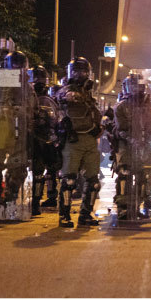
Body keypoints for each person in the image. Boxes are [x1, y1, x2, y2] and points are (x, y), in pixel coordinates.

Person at [0, 50, 33, 219]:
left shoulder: (25, 85)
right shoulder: (0, 82)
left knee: (18, 169)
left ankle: (6, 201)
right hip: (2, 129)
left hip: (19, 132)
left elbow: (32, 106)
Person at [56, 57, 102, 227]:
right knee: (69, 181)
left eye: (83, 71)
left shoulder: (90, 92)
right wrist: (76, 94)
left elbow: (95, 114)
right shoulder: (66, 89)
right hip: (73, 140)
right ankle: (64, 215)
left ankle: (86, 214)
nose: (80, 75)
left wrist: (100, 125)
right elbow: (65, 96)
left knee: (94, 182)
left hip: (90, 140)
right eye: (76, 71)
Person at [113, 73, 151, 220]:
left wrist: (148, 141)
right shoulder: (121, 106)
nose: (136, 88)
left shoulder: (150, 105)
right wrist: (133, 140)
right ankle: (123, 207)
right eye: (133, 85)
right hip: (126, 146)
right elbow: (120, 128)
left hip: (146, 145)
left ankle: (144, 204)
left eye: (138, 85)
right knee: (124, 174)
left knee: (145, 175)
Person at [28, 65, 61, 214]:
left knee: (44, 171)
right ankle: (42, 199)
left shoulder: (47, 100)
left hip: (43, 138)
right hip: (39, 137)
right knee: (45, 171)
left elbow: (56, 118)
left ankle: (38, 202)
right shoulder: (35, 98)